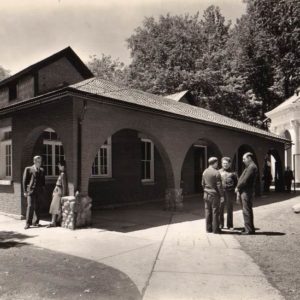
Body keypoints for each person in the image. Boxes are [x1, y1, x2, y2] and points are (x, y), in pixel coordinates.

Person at [235, 152, 258, 235]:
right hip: (246, 191)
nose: (243, 161)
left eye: (244, 159)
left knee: (246, 210)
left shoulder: (251, 167)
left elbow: (245, 180)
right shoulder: (250, 166)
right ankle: (248, 228)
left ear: (249, 158)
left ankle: (249, 230)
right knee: (247, 210)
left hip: (246, 191)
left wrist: (238, 187)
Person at [202, 157, 224, 234]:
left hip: (206, 194)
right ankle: (216, 230)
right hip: (214, 195)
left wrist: (206, 189)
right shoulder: (216, 172)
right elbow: (219, 186)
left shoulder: (204, 172)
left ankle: (208, 229)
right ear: (215, 163)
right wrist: (222, 195)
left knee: (207, 211)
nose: (217, 164)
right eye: (217, 163)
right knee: (215, 211)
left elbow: (202, 184)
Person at [23, 156, 46, 230]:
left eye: (40, 161)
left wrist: (43, 189)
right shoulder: (28, 169)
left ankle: (36, 222)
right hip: (31, 191)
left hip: (39, 192)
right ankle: (28, 223)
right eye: (38, 161)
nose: (39, 163)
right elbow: (24, 180)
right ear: (34, 161)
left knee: (38, 206)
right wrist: (25, 191)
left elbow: (43, 182)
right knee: (30, 206)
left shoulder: (42, 170)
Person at [47, 160, 69, 227]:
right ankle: (55, 221)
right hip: (57, 191)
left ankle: (54, 222)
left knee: (54, 207)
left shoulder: (63, 174)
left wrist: (63, 195)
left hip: (59, 192)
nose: (58, 166)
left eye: (59, 165)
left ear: (63, 166)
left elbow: (64, 185)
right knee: (55, 207)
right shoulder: (61, 173)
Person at [219, 157, 238, 229]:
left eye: (227, 163)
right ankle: (221, 224)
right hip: (221, 193)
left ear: (230, 164)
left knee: (229, 209)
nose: (225, 165)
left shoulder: (233, 173)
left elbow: (237, 183)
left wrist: (236, 190)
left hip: (229, 193)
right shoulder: (219, 172)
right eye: (224, 163)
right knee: (220, 208)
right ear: (221, 163)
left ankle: (230, 225)